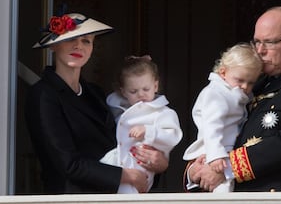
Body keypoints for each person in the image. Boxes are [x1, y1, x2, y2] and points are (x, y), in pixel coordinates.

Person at [185, 6, 281, 192]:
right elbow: (216, 130)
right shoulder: (249, 85)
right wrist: (196, 170)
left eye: (269, 42)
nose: (260, 51)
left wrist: (226, 168)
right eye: (256, 42)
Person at [25, 13, 169, 194]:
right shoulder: (43, 94)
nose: (78, 45)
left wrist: (157, 163)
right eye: (71, 39)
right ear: (54, 45)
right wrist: (126, 176)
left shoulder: (96, 94)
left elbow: (122, 145)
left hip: (115, 196)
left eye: (86, 41)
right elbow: (66, 164)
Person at [183, 43, 263, 193]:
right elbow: (212, 126)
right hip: (214, 150)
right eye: (240, 80)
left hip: (226, 151)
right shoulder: (216, 93)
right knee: (222, 190)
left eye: (251, 82)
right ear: (223, 72)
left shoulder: (234, 92)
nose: (245, 86)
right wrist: (215, 155)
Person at [100, 55, 183, 193]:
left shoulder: (162, 112)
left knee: (129, 194)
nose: (141, 95)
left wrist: (148, 131)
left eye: (146, 89)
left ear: (155, 86)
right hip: (116, 160)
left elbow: (173, 136)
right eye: (133, 91)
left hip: (142, 163)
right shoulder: (119, 107)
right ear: (123, 92)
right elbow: (112, 99)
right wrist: (132, 64)